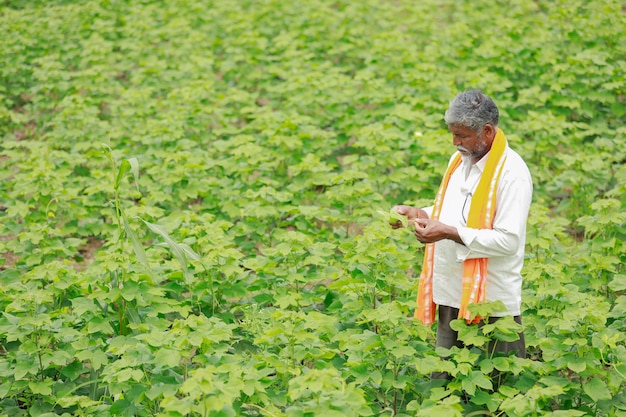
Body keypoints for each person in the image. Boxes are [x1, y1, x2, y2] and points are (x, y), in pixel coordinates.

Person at [392, 90, 533, 369]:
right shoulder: (459, 161)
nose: (456, 143)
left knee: (500, 389)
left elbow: (508, 240)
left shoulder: (512, 174)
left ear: (488, 131)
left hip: (492, 304)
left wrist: (448, 233)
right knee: (446, 384)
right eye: (453, 134)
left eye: (463, 135)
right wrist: (419, 214)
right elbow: (450, 212)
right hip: (452, 294)